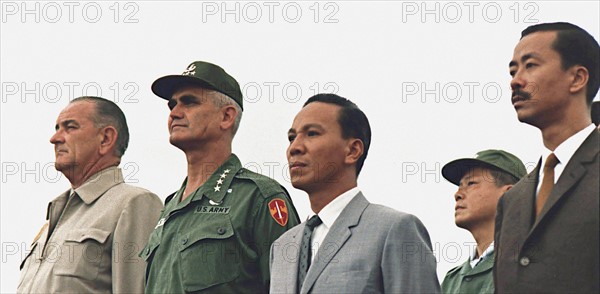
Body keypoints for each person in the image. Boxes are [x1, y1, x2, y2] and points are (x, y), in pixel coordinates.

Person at [141, 61, 300, 293]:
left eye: (189, 102)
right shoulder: (169, 209)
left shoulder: (258, 198)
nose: (174, 113)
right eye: (172, 105)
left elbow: (289, 287)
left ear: (226, 117)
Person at [270, 93, 440, 293]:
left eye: (312, 133)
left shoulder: (394, 230)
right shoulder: (281, 247)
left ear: (352, 150)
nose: (294, 148)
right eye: (291, 137)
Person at [17, 96, 163, 293]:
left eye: (70, 127)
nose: (55, 138)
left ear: (106, 139)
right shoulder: (54, 218)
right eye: (57, 128)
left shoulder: (134, 203)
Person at [495, 22, 599, 293]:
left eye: (531, 65)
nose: (515, 80)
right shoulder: (511, 200)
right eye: (513, 70)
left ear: (577, 78)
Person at [440, 150, 526, 293]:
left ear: (509, 194)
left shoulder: (528, 264)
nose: (458, 194)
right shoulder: (451, 281)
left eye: (471, 183)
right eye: (459, 185)